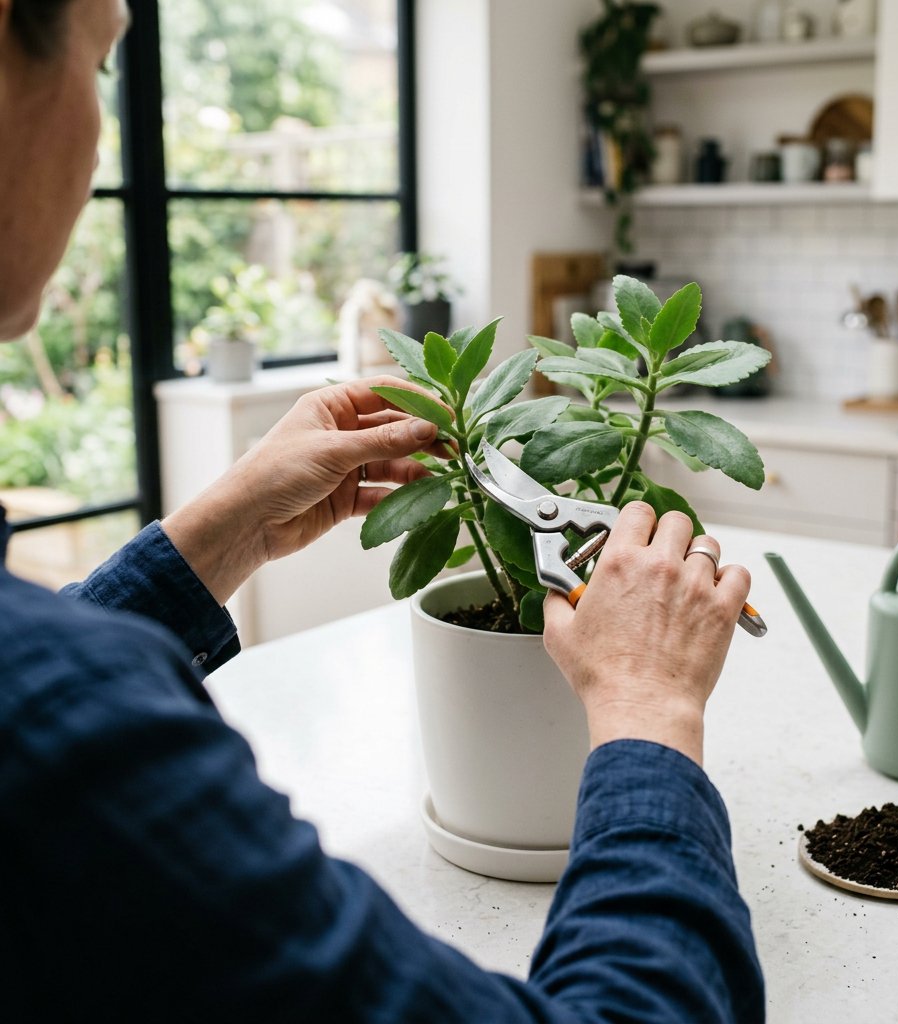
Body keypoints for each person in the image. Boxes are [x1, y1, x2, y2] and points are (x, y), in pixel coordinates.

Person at [0, 1, 765, 1020]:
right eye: (102, 67)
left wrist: (220, 531)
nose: (100, 132)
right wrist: (652, 712)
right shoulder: (73, 737)